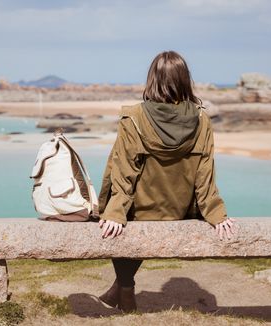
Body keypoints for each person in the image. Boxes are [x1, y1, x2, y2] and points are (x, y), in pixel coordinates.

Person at [97, 50, 237, 313]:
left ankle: (125, 289)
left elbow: (123, 171)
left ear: (152, 79)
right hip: (178, 209)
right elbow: (205, 172)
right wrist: (216, 213)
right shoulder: (202, 119)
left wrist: (114, 211)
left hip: (140, 210)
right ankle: (120, 289)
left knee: (120, 217)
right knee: (124, 214)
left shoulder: (133, 117)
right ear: (185, 80)